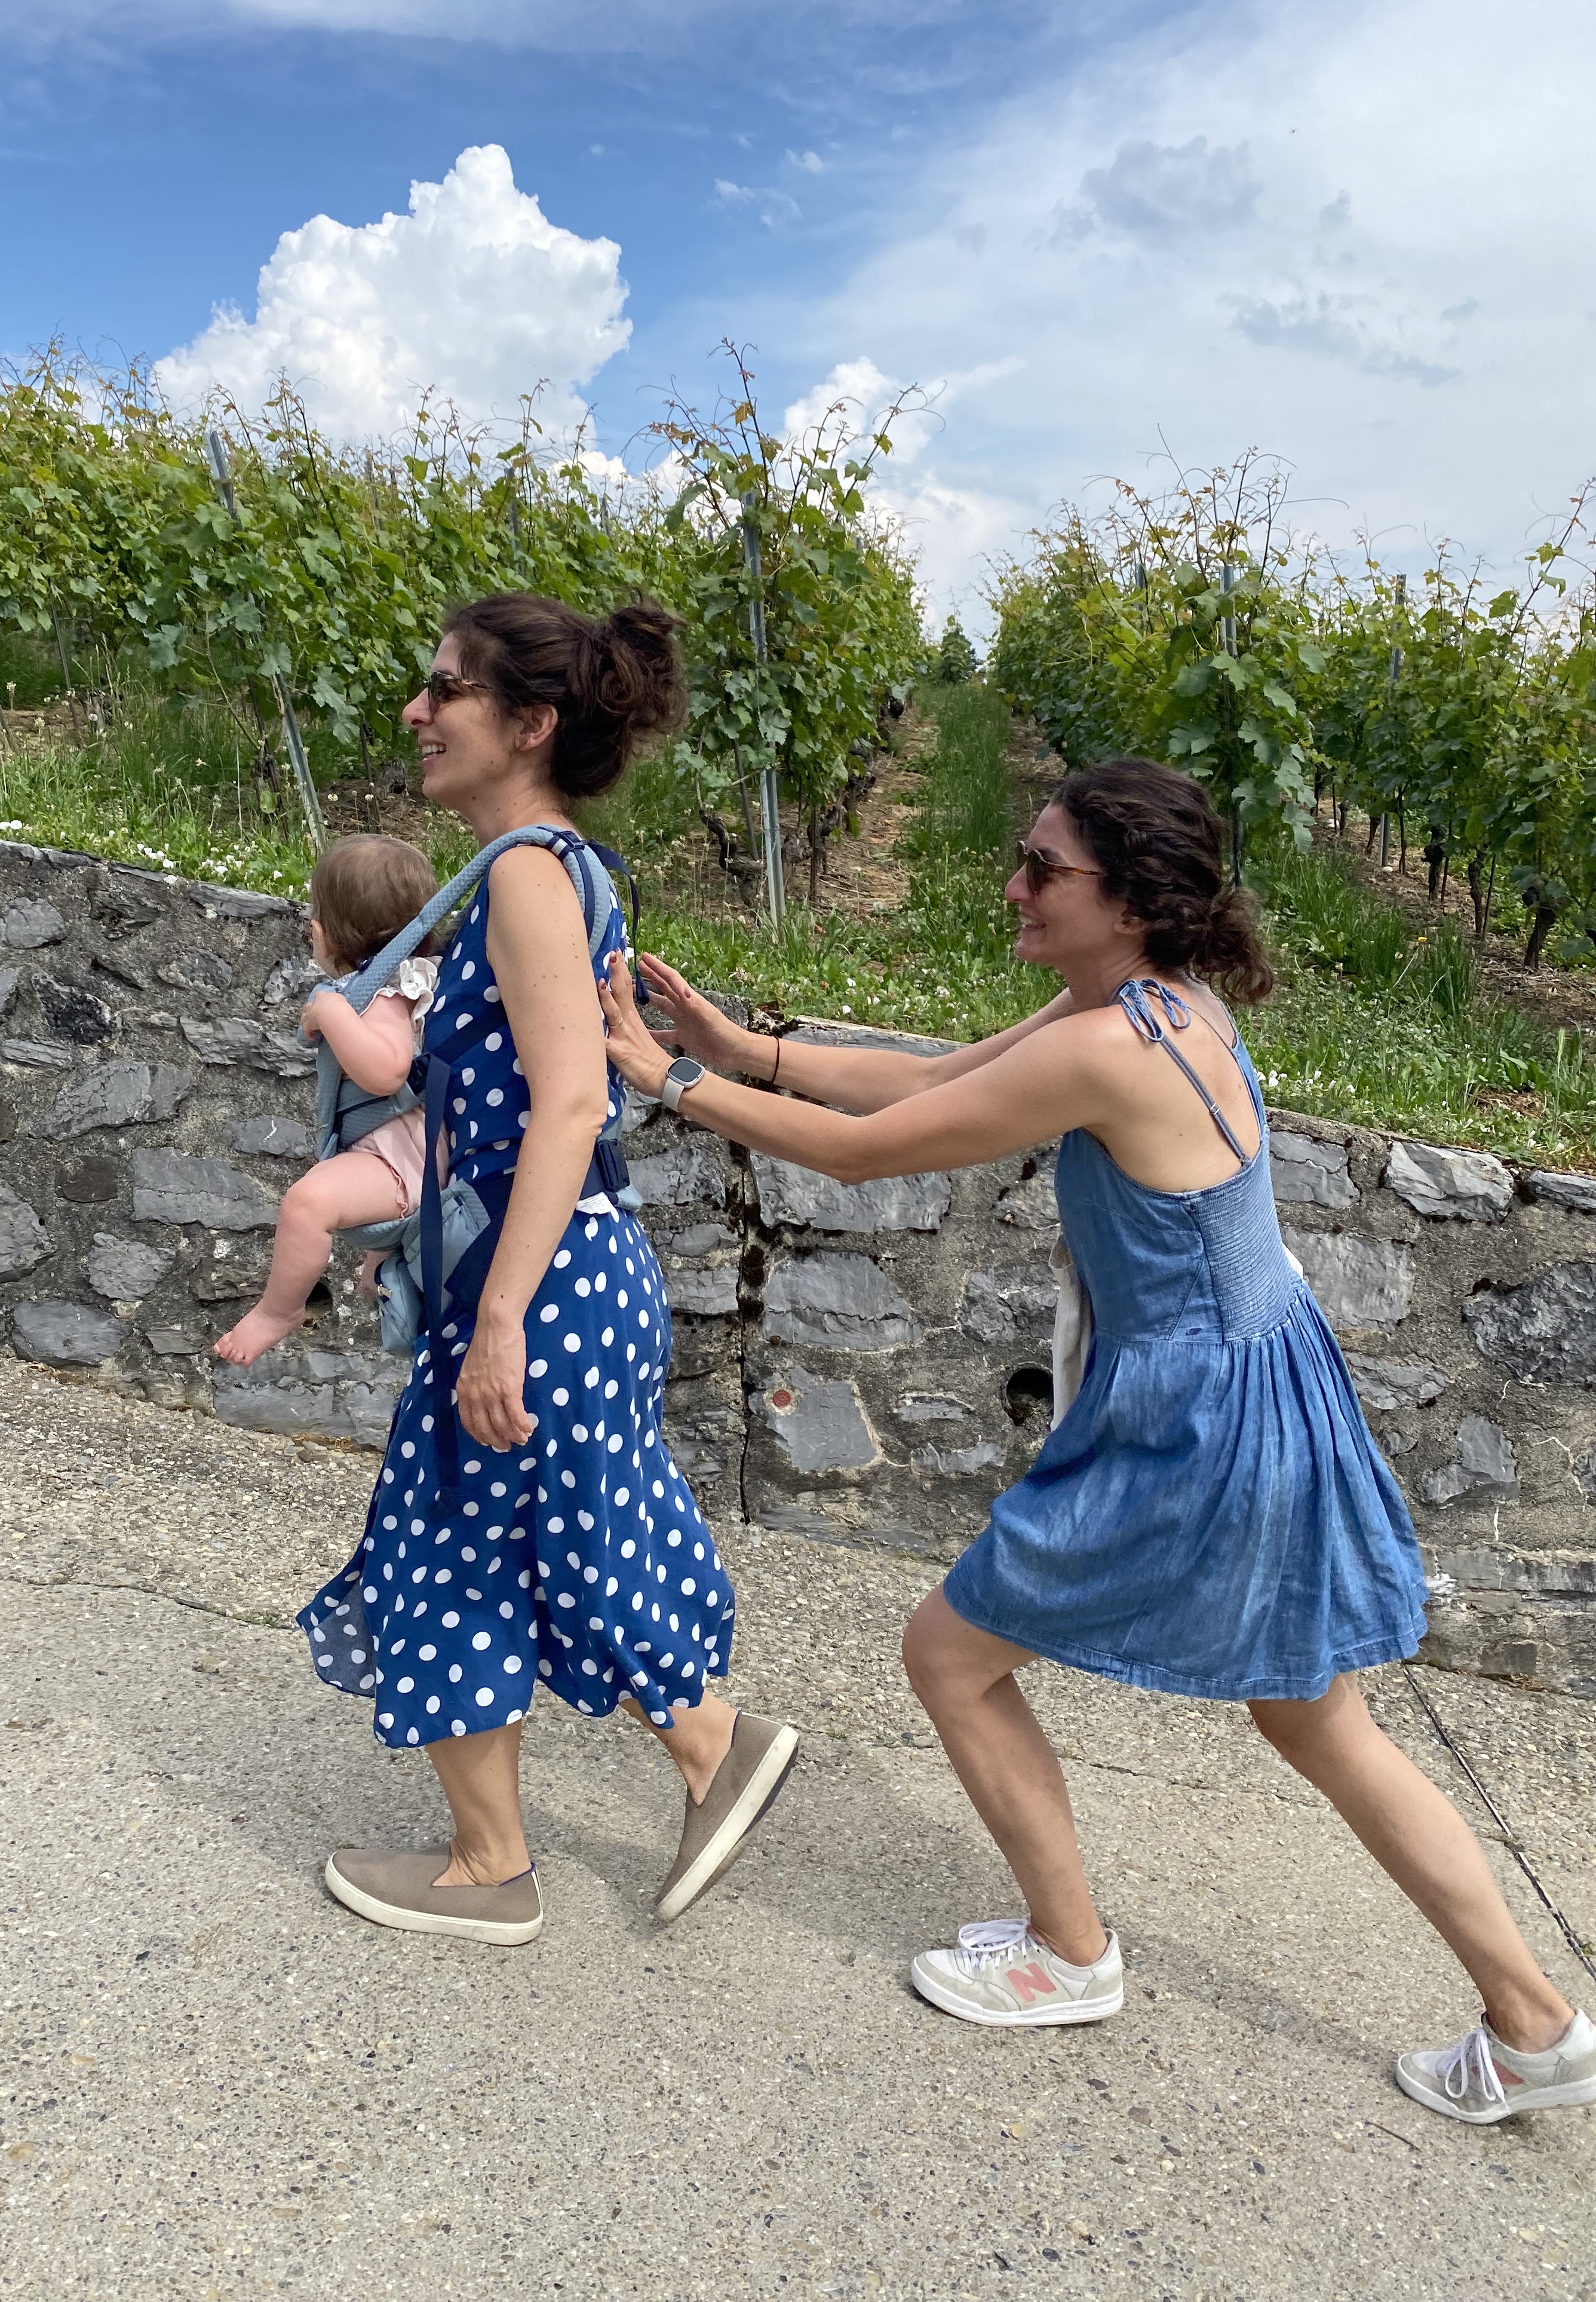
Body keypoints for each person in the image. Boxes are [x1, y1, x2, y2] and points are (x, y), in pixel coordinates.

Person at [597, 756, 1594, 2126]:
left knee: (948, 1653)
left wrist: (662, 1078)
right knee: (1320, 1720)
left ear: (1130, 898)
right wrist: (740, 1050)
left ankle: (1071, 1956)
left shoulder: (1107, 1044)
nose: (1013, 884)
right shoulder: (1157, 1006)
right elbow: (932, 1076)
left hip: (1193, 1425)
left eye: (1041, 869)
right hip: (1268, 1392)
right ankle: (1535, 2023)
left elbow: (868, 1154)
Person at [300, 594, 798, 1946]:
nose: (417, 711)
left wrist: (502, 1316)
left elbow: (572, 1106)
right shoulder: (551, 867)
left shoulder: (527, 873)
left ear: (528, 724)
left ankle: (695, 1758)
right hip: (551, 1269)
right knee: (491, 1540)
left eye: (444, 688)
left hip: (550, 1277)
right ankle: (498, 1853)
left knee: (528, 1538)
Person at [215, 835, 441, 1368]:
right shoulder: (398, 984)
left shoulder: (385, 992)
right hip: (405, 1156)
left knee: (307, 1204)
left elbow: (388, 1073)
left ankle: (279, 1311)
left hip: (403, 1162)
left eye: (316, 912)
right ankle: (383, 1259)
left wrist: (329, 1011)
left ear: (329, 929)